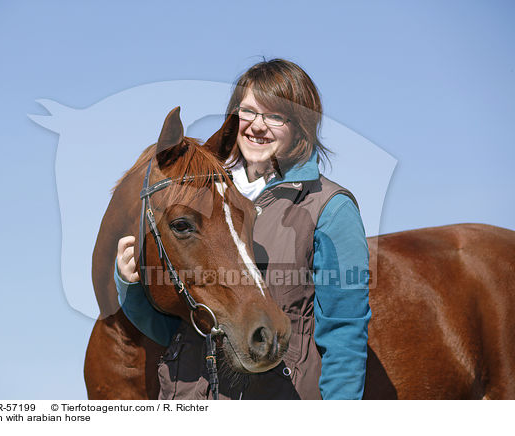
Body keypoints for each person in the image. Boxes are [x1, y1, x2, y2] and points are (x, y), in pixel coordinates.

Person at [115, 58, 371, 400]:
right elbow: (172, 332)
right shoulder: (204, 195)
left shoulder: (330, 207)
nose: (258, 126)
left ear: (301, 126)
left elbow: (344, 332)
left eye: (276, 115)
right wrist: (130, 286)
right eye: (248, 112)